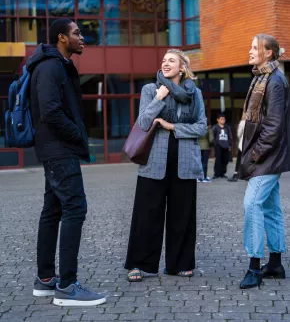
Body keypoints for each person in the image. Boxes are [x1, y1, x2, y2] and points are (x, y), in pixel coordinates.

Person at [28, 18, 106, 307]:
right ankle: (68, 286)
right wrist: (77, 136)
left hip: (55, 149)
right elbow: (50, 111)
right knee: (75, 208)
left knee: (53, 209)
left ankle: (46, 279)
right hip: (59, 150)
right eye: (77, 33)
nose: (82, 37)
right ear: (62, 38)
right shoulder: (50, 67)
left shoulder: (53, 65)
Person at [125, 49, 207, 282]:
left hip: (184, 162)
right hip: (154, 161)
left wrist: (173, 127)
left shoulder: (195, 94)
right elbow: (143, 122)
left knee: (182, 216)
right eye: (163, 60)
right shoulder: (151, 90)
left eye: (171, 60)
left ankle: (179, 264)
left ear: (182, 67)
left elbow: (201, 127)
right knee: (147, 215)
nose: (165, 63)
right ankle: (141, 265)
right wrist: (159, 98)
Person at [239, 34, 289, 290]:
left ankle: (254, 268)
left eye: (255, 47)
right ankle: (276, 264)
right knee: (269, 208)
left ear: (269, 52)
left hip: (266, 157)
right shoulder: (262, 77)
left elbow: (274, 126)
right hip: (267, 156)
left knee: (252, 205)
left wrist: (255, 155)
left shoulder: (275, 81)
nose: (250, 51)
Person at [212, 113, 232, 179]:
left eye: (224, 119)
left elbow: (230, 137)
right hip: (218, 146)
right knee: (218, 160)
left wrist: (229, 145)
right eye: (221, 119)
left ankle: (222, 173)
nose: (223, 120)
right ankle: (216, 174)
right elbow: (213, 136)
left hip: (226, 146)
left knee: (225, 160)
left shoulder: (227, 127)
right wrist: (215, 144)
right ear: (218, 120)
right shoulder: (215, 127)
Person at [228, 113, 246, 182]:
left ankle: (236, 175)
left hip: (243, 144)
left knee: (239, 160)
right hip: (252, 145)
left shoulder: (243, 122)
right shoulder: (254, 121)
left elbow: (239, 133)